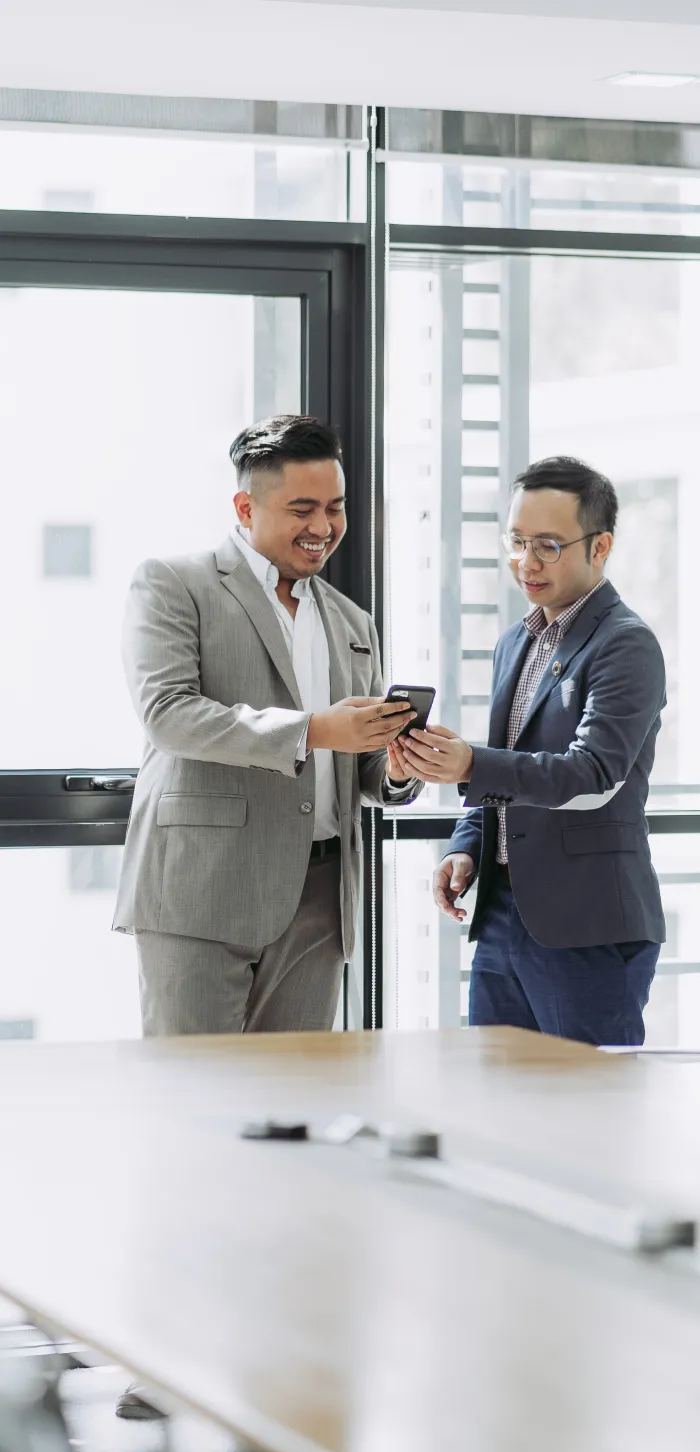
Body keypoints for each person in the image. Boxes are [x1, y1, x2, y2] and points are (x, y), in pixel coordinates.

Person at [113, 414, 422, 1038]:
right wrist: (311, 730)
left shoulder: (353, 622)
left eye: (334, 507)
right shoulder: (175, 584)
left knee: (295, 1103)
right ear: (245, 506)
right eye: (302, 508)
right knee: (195, 1096)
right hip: (202, 888)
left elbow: (354, 764)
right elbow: (169, 715)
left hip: (323, 899)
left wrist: (393, 767)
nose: (323, 527)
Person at [394, 456, 666, 1047]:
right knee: (499, 1108)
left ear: (600, 547)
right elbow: (509, 763)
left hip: (586, 925)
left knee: (589, 1117)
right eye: (516, 541)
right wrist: (467, 846)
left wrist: (468, 763)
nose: (526, 562)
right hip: (501, 917)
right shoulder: (517, 640)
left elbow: (592, 774)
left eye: (547, 544)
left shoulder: (626, 645)